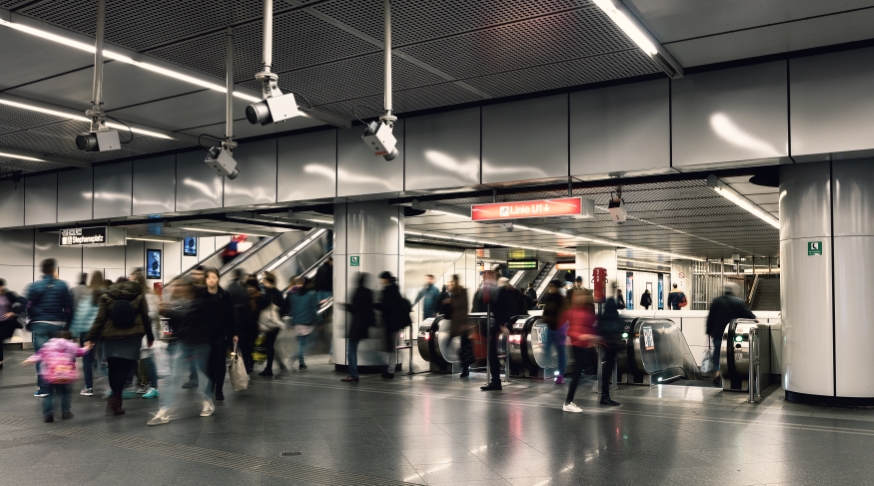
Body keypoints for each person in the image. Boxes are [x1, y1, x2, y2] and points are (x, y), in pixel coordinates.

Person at [147, 277, 214, 426]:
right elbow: (173, 319)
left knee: (204, 375)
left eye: (180, 285)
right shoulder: (177, 302)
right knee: (174, 377)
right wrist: (164, 312)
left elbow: (189, 314)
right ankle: (164, 410)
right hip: (184, 344)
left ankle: (207, 400)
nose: (176, 288)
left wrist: (169, 310)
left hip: (201, 343)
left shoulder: (199, 301)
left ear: (188, 286)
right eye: (175, 285)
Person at [85, 277, 154, 416]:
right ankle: (117, 398)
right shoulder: (139, 295)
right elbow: (145, 316)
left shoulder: (106, 296)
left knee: (113, 368)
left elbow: (100, 319)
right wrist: (150, 336)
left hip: (111, 337)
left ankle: (115, 398)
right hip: (132, 336)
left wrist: (90, 337)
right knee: (124, 368)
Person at [26, 259, 73, 398]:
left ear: (42, 270)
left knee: (42, 356)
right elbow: (69, 308)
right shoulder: (63, 285)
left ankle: (44, 388)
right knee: (58, 356)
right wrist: (68, 325)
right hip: (58, 325)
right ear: (54, 269)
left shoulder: (35, 286)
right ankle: (59, 385)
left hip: (40, 325)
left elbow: (28, 306)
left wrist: (33, 320)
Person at [23, 330, 90, 422]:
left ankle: (48, 414)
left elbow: (39, 355)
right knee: (65, 394)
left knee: (49, 395)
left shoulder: (49, 346)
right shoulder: (71, 346)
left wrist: (29, 359)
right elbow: (80, 352)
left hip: (50, 375)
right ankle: (66, 412)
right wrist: (87, 347)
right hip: (66, 376)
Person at [482, 278, 527, 391]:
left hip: (501, 327)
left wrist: (501, 325)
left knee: (492, 353)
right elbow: (523, 308)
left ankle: (496, 381)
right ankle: (503, 375)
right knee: (504, 352)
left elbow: (496, 309)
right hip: (514, 325)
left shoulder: (500, 292)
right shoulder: (516, 293)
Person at [706, 283, 756, 385]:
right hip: (732, 334)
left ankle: (717, 372)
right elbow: (750, 316)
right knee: (732, 355)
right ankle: (730, 373)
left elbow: (710, 318)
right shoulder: (738, 302)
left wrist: (709, 330)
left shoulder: (716, 301)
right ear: (734, 291)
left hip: (718, 333)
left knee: (717, 354)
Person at [69, 270, 104, 396]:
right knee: (103, 358)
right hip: (102, 331)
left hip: (87, 331)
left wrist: (74, 331)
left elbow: (81, 314)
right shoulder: (107, 295)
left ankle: (89, 387)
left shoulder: (88, 294)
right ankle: (109, 385)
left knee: (87, 360)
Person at [562, 289, 598, 413]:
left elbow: (588, 325)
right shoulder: (576, 310)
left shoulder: (586, 309)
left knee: (580, 371)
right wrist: (582, 336)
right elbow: (572, 329)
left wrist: (591, 337)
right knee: (578, 371)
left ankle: (569, 401)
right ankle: (568, 402)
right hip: (578, 343)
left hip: (583, 343)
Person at [203, 268, 234, 400]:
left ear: (218, 279)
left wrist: (234, 334)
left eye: (214, 277)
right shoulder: (201, 296)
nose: (211, 279)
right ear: (205, 280)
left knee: (220, 362)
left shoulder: (224, 295)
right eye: (209, 277)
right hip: (205, 335)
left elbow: (231, 316)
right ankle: (211, 385)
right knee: (208, 363)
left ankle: (219, 390)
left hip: (221, 334)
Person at [373, 271, 411, 379]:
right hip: (394, 323)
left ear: (386, 279)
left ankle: (390, 370)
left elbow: (387, 306)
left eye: (382, 279)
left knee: (391, 348)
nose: (381, 281)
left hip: (392, 323)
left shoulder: (390, 291)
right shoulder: (394, 289)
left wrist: (376, 305)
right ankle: (390, 369)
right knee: (391, 348)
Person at [341, 272, 374, 382]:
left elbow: (354, 309)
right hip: (364, 325)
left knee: (351, 350)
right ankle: (354, 374)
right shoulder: (369, 292)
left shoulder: (356, 292)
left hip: (356, 326)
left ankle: (353, 374)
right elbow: (370, 309)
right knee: (354, 349)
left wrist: (345, 305)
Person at [596, 283, 623, 406]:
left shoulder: (604, 315)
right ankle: (605, 396)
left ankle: (605, 395)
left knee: (607, 368)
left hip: (606, 343)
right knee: (608, 369)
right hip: (612, 344)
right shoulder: (614, 315)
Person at [259, 271, 289, 376]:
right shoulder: (278, 292)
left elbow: (262, 305)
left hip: (271, 323)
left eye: (263, 279)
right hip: (276, 323)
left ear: (267, 281)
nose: (261, 281)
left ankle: (269, 368)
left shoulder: (268, 292)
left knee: (269, 345)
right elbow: (284, 308)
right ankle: (280, 365)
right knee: (270, 344)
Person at [286, 276, 319, 370]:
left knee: (301, 343)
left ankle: (302, 363)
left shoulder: (293, 295)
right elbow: (313, 309)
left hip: (297, 322)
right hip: (307, 322)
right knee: (309, 343)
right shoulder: (311, 294)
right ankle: (294, 357)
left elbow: (291, 309)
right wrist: (319, 321)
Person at [541, 280, 567, 384]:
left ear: (557, 287)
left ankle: (560, 375)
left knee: (561, 352)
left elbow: (563, 314)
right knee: (546, 350)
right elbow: (545, 312)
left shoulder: (561, 299)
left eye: (552, 286)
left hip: (560, 329)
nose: (550, 288)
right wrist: (546, 319)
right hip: (551, 328)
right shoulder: (548, 298)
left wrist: (551, 320)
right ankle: (548, 371)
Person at [446, 275, 471, 378]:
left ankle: (465, 368)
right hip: (456, 322)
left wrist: (464, 323)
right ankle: (462, 363)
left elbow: (463, 308)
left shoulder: (461, 292)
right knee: (458, 344)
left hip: (461, 323)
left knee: (464, 346)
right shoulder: (454, 293)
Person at [0, 278, 23, 370]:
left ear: (1, 286)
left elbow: (24, 302)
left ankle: (0, 361)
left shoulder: (9, 295)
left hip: (6, 323)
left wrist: (14, 312)